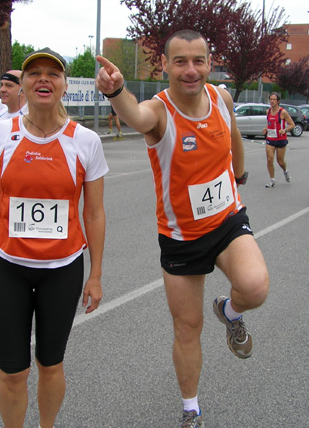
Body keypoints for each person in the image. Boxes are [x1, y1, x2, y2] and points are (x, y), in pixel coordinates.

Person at [96, 30, 269, 428]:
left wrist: (239, 174)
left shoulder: (222, 99)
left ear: (209, 63)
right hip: (181, 236)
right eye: (180, 62)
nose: (190, 70)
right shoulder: (158, 111)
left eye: (198, 61)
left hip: (226, 218)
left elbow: (232, 138)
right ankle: (191, 409)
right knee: (187, 328)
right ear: (166, 67)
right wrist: (117, 90)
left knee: (255, 286)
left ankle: (230, 311)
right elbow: (134, 116)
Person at [0, 47, 108, 428]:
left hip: (62, 269)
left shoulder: (86, 141)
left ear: (64, 86)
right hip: (8, 266)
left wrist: (95, 274)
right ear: (23, 85)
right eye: (34, 73)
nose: (43, 79)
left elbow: (94, 212)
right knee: (12, 371)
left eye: (53, 74)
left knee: (50, 364)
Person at [263, 92, 294, 188]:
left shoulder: (282, 112)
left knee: (280, 161)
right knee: (269, 159)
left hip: (281, 139)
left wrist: (284, 130)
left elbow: (292, 124)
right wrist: (266, 129)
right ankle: (272, 180)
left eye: (274, 99)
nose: (272, 101)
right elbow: (269, 123)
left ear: (278, 101)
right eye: (270, 99)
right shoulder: (268, 111)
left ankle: (285, 171)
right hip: (270, 139)